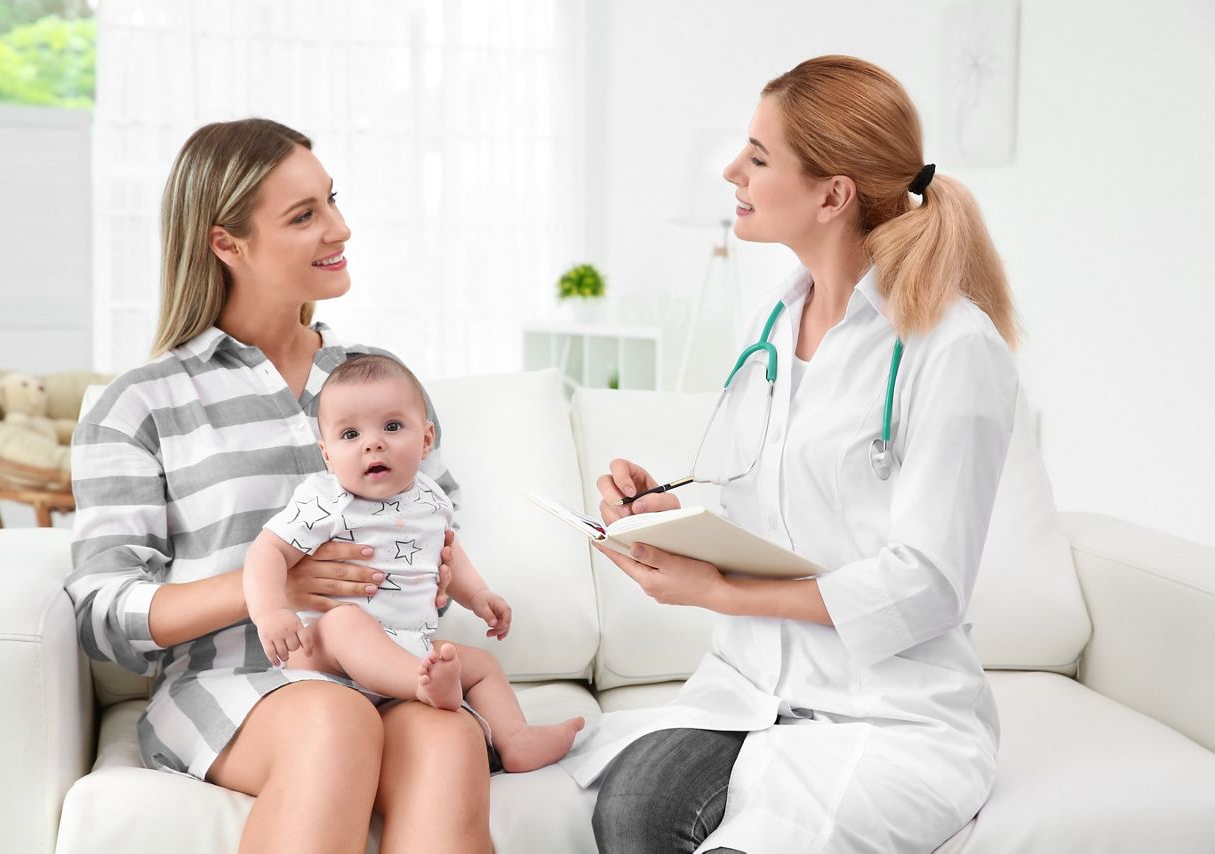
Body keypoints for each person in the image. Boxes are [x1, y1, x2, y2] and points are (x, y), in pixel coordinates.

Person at [559, 55, 1021, 853]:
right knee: (629, 814)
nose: (733, 170)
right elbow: (764, 507)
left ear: (832, 194)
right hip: (752, 687)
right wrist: (669, 520)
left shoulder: (953, 348)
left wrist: (719, 593)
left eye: (759, 157)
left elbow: (927, 586)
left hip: (890, 712)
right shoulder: (775, 323)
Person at [64, 118, 493, 853]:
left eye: (331, 200)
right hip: (232, 685)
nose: (341, 227)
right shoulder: (142, 404)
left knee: (451, 745)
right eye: (305, 216)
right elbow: (104, 612)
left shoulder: (379, 381)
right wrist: (273, 587)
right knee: (334, 721)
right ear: (226, 243)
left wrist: (440, 569)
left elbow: (438, 528)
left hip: (388, 667)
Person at [244, 352, 585, 772]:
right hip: (325, 654)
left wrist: (477, 593)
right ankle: (424, 687)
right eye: (350, 434)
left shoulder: (430, 496)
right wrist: (270, 612)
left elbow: (447, 551)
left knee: (482, 666)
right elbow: (268, 550)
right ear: (327, 454)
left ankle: (514, 738)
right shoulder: (324, 498)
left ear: (425, 440)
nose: (373, 442)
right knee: (347, 623)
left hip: (410, 646)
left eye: (391, 427)